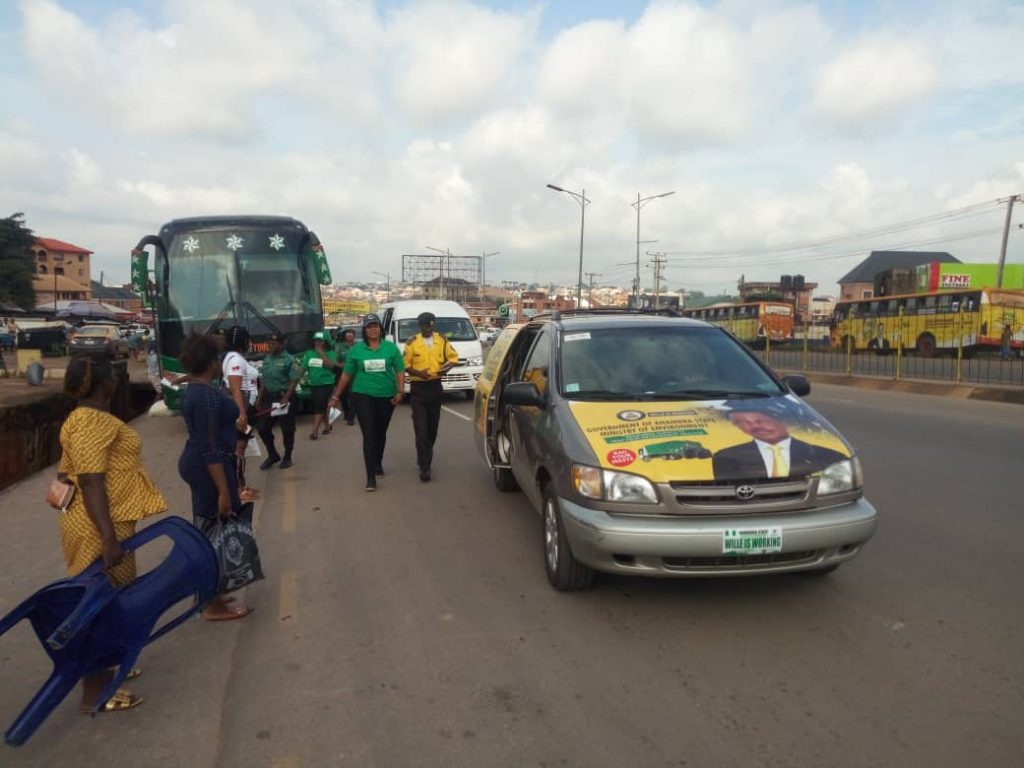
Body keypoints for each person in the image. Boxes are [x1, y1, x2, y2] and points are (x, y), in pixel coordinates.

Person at [58, 356, 167, 712]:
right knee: (100, 603)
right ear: (104, 383)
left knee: (111, 596)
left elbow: (68, 474)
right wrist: (107, 538)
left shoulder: (82, 418)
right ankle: (95, 690)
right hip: (99, 526)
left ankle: (105, 668)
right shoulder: (91, 421)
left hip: (103, 520)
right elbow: (90, 480)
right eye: (112, 375)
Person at [177, 334, 253, 621]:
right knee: (213, 534)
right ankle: (211, 604)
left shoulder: (196, 389)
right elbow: (209, 447)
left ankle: (214, 591)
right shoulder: (206, 395)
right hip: (209, 466)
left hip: (204, 462)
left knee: (211, 530)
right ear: (212, 362)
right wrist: (224, 490)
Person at [328, 314, 405, 491]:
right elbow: (346, 375)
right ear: (364, 330)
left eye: (375, 326)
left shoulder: (391, 348)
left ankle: (378, 462)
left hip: (386, 395)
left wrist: (400, 391)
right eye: (369, 327)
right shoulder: (356, 351)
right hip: (362, 395)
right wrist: (335, 396)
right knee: (369, 434)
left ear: (380, 328)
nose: (373, 329)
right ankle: (370, 477)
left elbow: (400, 371)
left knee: (380, 432)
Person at [712, 407, 847, 481]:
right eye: (742, 423)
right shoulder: (725, 457)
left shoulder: (830, 456)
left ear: (784, 420)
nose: (753, 427)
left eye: (761, 420)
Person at [403, 311, 459, 481]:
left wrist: (446, 368)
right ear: (419, 326)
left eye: (429, 325)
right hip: (419, 388)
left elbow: (453, 357)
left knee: (432, 429)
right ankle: (424, 466)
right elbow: (406, 365)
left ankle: (426, 456)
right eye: (424, 325)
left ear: (433, 325)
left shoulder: (441, 340)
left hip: (435, 387)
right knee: (421, 429)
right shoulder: (412, 343)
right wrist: (418, 373)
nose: (427, 328)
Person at [221, 326, 260, 502]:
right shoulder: (235, 358)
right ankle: (238, 489)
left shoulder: (234, 357)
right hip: (240, 407)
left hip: (245, 406)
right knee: (238, 450)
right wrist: (242, 415)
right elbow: (235, 388)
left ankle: (242, 485)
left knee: (241, 448)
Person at [256, 333, 300, 469]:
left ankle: (287, 457)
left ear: (281, 345)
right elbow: (264, 380)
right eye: (269, 344)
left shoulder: (289, 359)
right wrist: (259, 398)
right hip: (269, 398)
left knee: (287, 430)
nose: (270, 346)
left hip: (283, 397)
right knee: (262, 428)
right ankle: (272, 454)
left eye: (274, 344)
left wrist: (286, 397)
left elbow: (294, 380)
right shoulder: (267, 359)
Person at [299, 330, 342, 440]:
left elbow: (330, 366)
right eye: (316, 340)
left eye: (320, 341)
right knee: (321, 406)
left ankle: (315, 431)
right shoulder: (309, 354)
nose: (317, 343)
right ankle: (327, 426)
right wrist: (295, 379)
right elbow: (303, 368)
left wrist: (321, 352)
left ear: (326, 342)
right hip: (314, 385)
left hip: (327, 384)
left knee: (319, 406)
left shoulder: (331, 353)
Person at [334, 328, 358, 425]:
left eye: (352, 335)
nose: (350, 337)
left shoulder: (358, 346)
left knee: (353, 395)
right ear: (345, 336)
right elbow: (335, 361)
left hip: (355, 374)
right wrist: (342, 365)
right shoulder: (340, 347)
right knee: (343, 396)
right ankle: (347, 412)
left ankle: (351, 417)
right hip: (342, 373)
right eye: (348, 335)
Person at [145, 335, 162, 399]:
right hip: (155, 375)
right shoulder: (154, 356)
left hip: (153, 374)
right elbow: (155, 368)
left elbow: (148, 365)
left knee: (159, 391)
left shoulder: (150, 354)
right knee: (160, 392)